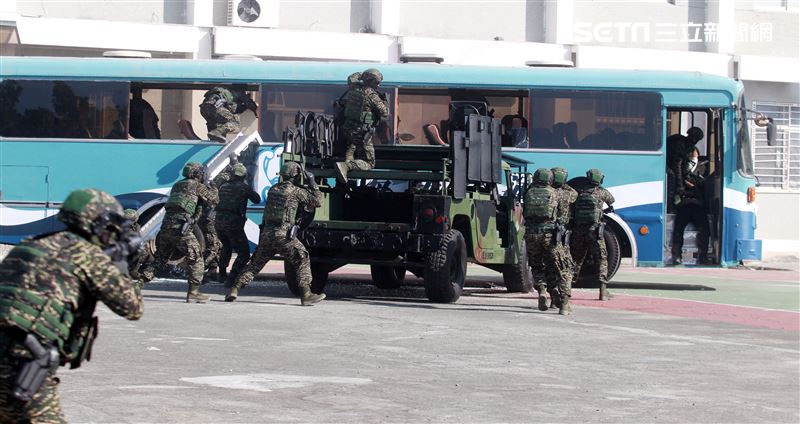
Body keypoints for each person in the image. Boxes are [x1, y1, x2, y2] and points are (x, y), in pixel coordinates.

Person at [0, 189, 143, 422]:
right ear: (98, 223)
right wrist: (120, 261)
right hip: (23, 361)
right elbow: (132, 307)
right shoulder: (87, 256)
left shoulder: (30, 245)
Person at [226, 162, 324, 305]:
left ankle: (234, 289)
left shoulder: (273, 189)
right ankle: (306, 294)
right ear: (295, 176)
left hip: (267, 234)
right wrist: (312, 181)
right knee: (302, 258)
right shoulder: (296, 192)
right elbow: (317, 201)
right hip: (283, 235)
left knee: (255, 264)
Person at [141, 162, 218, 303]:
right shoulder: (197, 186)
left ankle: (139, 283)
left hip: (166, 226)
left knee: (160, 259)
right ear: (196, 174)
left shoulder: (178, 185)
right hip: (181, 227)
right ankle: (194, 292)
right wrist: (213, 188)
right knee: (196, 258)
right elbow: (214, 200)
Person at [334, 69, 390, 184]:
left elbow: (351, 76)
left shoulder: (354, 86)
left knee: (350, 152)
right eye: (376, 82)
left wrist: (363, 75)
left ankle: (345, 171)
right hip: (361, 133)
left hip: (347, 129)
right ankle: (345, 166)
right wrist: (385, 101)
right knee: (369, 163)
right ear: (370, 81)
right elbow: (385, 113)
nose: (378, 85)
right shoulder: (372, 95)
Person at [570, 169, 615, 301]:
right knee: (602, 259)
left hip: (579, 231)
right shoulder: (602, 192)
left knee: (575, 259)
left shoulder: (580, 192)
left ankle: (566, 289)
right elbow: (612, 201)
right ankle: (603, 291)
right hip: (594, 231)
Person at [216, 164, 261, 286]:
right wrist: (249, 186)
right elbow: (257, 199)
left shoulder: (223, 186)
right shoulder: (243, 187)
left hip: (219, 222)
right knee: (244, 253)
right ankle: (232, 278)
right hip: (233, 223)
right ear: (243, 176)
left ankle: (221, 274)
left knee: (226, 247)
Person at [523, 168, 561, 312]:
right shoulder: (554, 193)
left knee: (536, 265)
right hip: (549, 234)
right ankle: (554, 290)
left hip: (532, 233)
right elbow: (560, 215)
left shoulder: (529, 192)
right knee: (551, 264)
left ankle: (542, 291)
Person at [671, 147, 710, 265]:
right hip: (684, 206)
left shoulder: (701, 172)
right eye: (691, 157)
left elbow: (703, 188)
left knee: (705, 230)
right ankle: (676, 255)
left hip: (697, 207)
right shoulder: (680, 172)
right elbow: (678, 189)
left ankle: (703, 255)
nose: (693, 160)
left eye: (695, 157)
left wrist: (694, 189)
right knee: (678, 229)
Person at [548, 167, 578, 314]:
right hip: (560, 236)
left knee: (549, 268)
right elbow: (575, 194)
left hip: (544, 236)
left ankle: (553, 299)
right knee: (566, 269)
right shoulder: (569, 194)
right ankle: (565, 304)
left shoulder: (547, 192)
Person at [666, 127, 703, 212]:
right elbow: (676, 165)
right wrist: (680, 185)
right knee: (671, 177)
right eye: (695, 138)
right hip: (664, 165)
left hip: (673, 166)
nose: (695, 141)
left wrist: (687, 178)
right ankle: (669, 206)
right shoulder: (679, 143)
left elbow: (683, 167)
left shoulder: (689, 147)